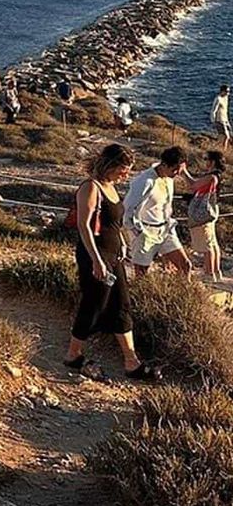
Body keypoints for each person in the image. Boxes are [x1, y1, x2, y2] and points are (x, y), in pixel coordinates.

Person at [64, 143, 160, 381]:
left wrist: (123, 242)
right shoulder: (90, 187)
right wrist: (97, 260)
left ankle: (131, 361)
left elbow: (114, 223)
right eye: (123, 168)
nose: (126, 174)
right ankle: (73, 355)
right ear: (110, 165)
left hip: (114, 255)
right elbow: (84, 226)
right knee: (94, 304)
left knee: (122, 304)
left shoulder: (112, 187)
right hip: (94, 255)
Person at [123, 146, 192, 279]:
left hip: (165, 228)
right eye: (175, 169)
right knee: (142, 275)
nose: (178, 173)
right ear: (164, 164)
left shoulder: (169, 178)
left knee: (185, 265)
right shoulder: (144, 181)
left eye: (180, 169)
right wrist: (137, 232)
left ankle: (182, 294)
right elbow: (128, 209)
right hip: (146, 232)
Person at [187, 150, 224, 281]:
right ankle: (216, 271)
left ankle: (209, 273)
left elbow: (194, 185)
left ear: (212, 162)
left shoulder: (211, 177)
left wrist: (183, 172)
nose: (205, 162)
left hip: (203, 211)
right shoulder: (217, 176)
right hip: (212, 209)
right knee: (212, 242)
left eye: (206, 159)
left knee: (207, 245)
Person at [211, 85, 230, 150]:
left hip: (224, 120)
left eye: (228, 91)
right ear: (222, 91)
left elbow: (225, 111)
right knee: (226, 136)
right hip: (219, 120)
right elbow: (213, 110)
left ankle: (217, 149)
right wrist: (213, 121)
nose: (228, 93)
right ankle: (223, 150)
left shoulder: (226, 98)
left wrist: (227, 122)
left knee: (222, 137)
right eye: (226, 91)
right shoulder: (218, 99)